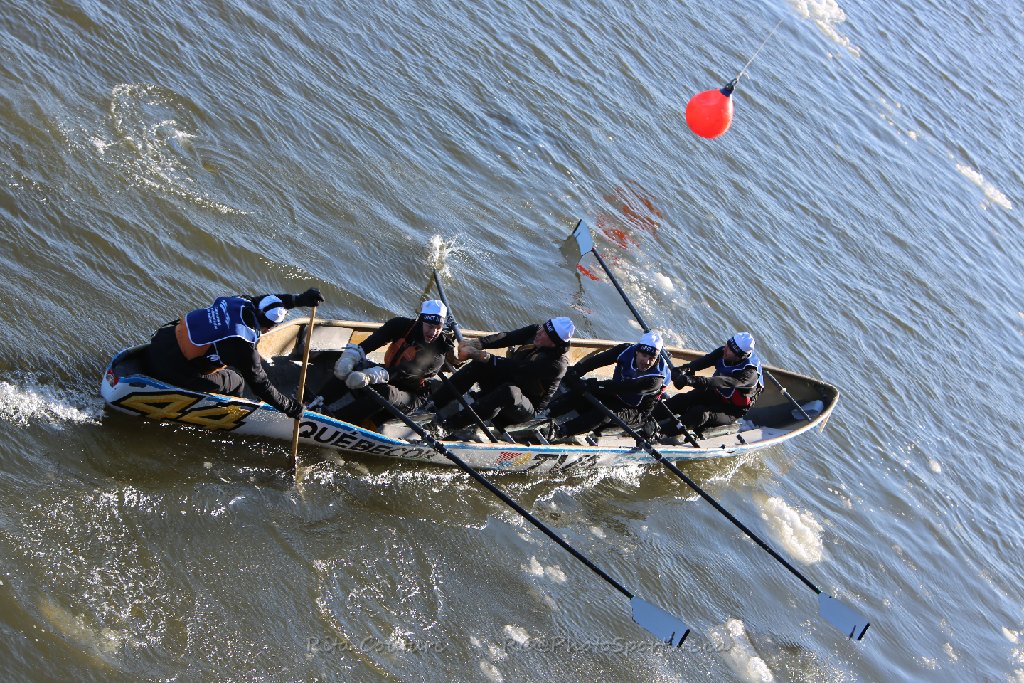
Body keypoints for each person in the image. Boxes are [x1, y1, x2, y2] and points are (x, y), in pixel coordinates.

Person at [144, 288, 325, 418]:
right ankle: (221, 415)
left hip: (162, 340)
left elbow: (264, 301)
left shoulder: (240, 301)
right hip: (174, 369)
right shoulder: (243, 345)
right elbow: (261, 385)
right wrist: (291, 407)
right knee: (236, 380)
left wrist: (300, 300)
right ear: (270, 328)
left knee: (223, 356)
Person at [314, 300, 458, 427]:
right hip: (388, 375)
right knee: (351, 366)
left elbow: (403, 372)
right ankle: (316, 402)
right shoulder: (401, 325)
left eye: (438, 327)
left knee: (384, 392)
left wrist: (370, 376)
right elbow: (371, 342)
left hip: (410, 395)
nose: (434, 332)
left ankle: (337, 421)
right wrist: (350, 356)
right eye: (430, 326)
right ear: (421, 320)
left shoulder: (438, 353)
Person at [429, 317, 575, 438]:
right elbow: (507, 337)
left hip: (524, 408)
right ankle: (433, 403)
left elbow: (517, 368)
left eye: (545, 334)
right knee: (480, 365)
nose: (539, 333)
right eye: (543, 328)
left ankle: (449, 426)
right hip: (509, 381)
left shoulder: (557, 365)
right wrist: (478, 343)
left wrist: (481, 355)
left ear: (553, 343)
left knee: (508, 391)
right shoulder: (536, 330)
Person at [545, 331, 671, 443]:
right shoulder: (625, 350)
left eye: (652, 358)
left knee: (604, 413)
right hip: (614, 394)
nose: (647, 362)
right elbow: (599, 360)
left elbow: (622, 387)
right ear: (637, 351)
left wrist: (591, 385)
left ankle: (560, 432)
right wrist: (576, 371)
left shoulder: (655, 379)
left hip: (635, 410)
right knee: (580, 392)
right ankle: (547, 413)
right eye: (644, 356)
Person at [661, 331, 763, 439]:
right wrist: (683, 369)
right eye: (727, 344)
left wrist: (690, 381)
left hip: (731, 409)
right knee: (681, 400)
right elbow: (705, 361)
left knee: (700, 414)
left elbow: (723, 382)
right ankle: (651, 416)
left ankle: (661, 432)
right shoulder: (724, 351)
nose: (725, 349)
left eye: (730, 349)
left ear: (740, 356)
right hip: (714, 394)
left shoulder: (749, 373)